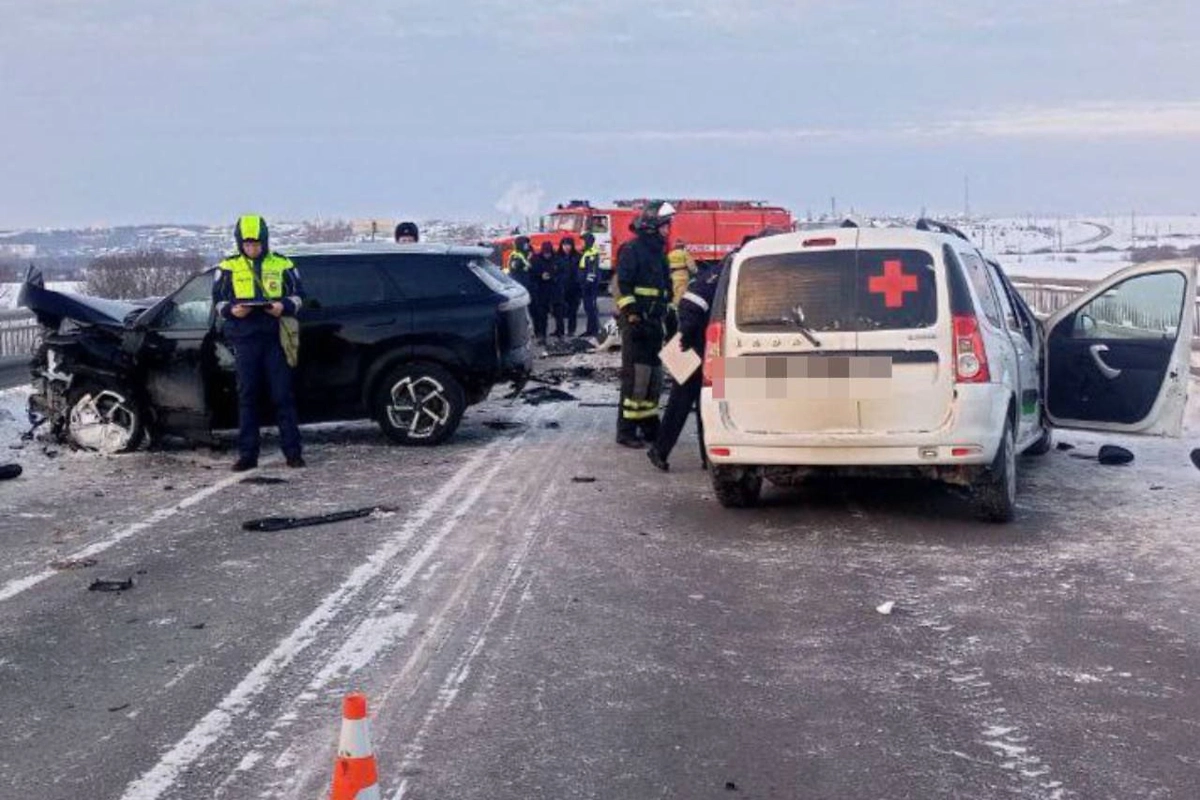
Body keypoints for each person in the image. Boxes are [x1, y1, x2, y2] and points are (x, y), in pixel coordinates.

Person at [213, 215, 306, 471]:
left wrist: (283, 306)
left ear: (265, 241)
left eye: (256, 243)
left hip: (275, 338)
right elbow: (218, 302)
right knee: (247, 397)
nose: (252, 248)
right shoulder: (228, 267)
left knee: (282, 397)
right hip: (245, 340)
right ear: (239, 243)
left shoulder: (283, 263)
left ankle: (293, 453)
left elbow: (300, 297)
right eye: (247, 244)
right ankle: (247, 455)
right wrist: (233, 311)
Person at [647, 260, 724, 471]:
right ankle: (660, 450)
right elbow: (692, 301)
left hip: (714, 347)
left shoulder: (727, 267)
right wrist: (687, 335)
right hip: (700, 344)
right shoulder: (725, 272)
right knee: (687, 399)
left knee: (709, 402)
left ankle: (706, 456)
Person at [615, 201, 675, 448]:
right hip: (637, 324)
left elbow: (665, 289)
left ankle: (649, 423)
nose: (668, 230)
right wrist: (632, 315)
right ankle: (626, 430)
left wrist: (669, 314)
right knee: (636, 378)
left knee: (653, 377)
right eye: (665, 225)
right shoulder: (632, 250)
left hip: (654, 323)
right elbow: (623, 287)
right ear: (652, 226)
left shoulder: (658, 252)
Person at [530, 240, 559, 344]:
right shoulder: (535, 259)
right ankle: (542, 336)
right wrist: (540, 276)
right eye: (545, 253)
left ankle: (560, 334)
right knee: (542, 315)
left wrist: (552, 276)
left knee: (559, 313)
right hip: (541, 290)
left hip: (555, 289)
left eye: (549, 253)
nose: (547, 255)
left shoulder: (556, 258)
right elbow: (532, 274)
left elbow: (561, 272)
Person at [558, 236, 583, 337]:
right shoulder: (558, 256)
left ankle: (571, 330)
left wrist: (579, 283)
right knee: (559, 311)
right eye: (564, 245)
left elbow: (581, 271)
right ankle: (560, 330)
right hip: (561, 287)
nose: (566, 247)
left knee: (573, 311)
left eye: (568, 245)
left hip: (574, 288)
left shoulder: (578, 257)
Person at [579, 232, 603, 338]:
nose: (581, 243)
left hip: (589, 286)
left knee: (591, 307)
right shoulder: (587, 252)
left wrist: (587, 284)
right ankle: (590, 329)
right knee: (588, 308)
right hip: (586, 284)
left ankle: (594, 330)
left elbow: (592, 272)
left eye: (583, 241)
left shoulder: (592, 254)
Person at [667, 239, 697, 306]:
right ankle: (678, 308)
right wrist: (695, 272)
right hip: (683, 277)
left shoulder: (670, 254)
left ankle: (673, 307)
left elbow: (666, 266)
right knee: (681, 294)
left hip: (673, 277)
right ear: (683, 246)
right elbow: (692, 267)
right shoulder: (684, 254)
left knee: (675, 293)